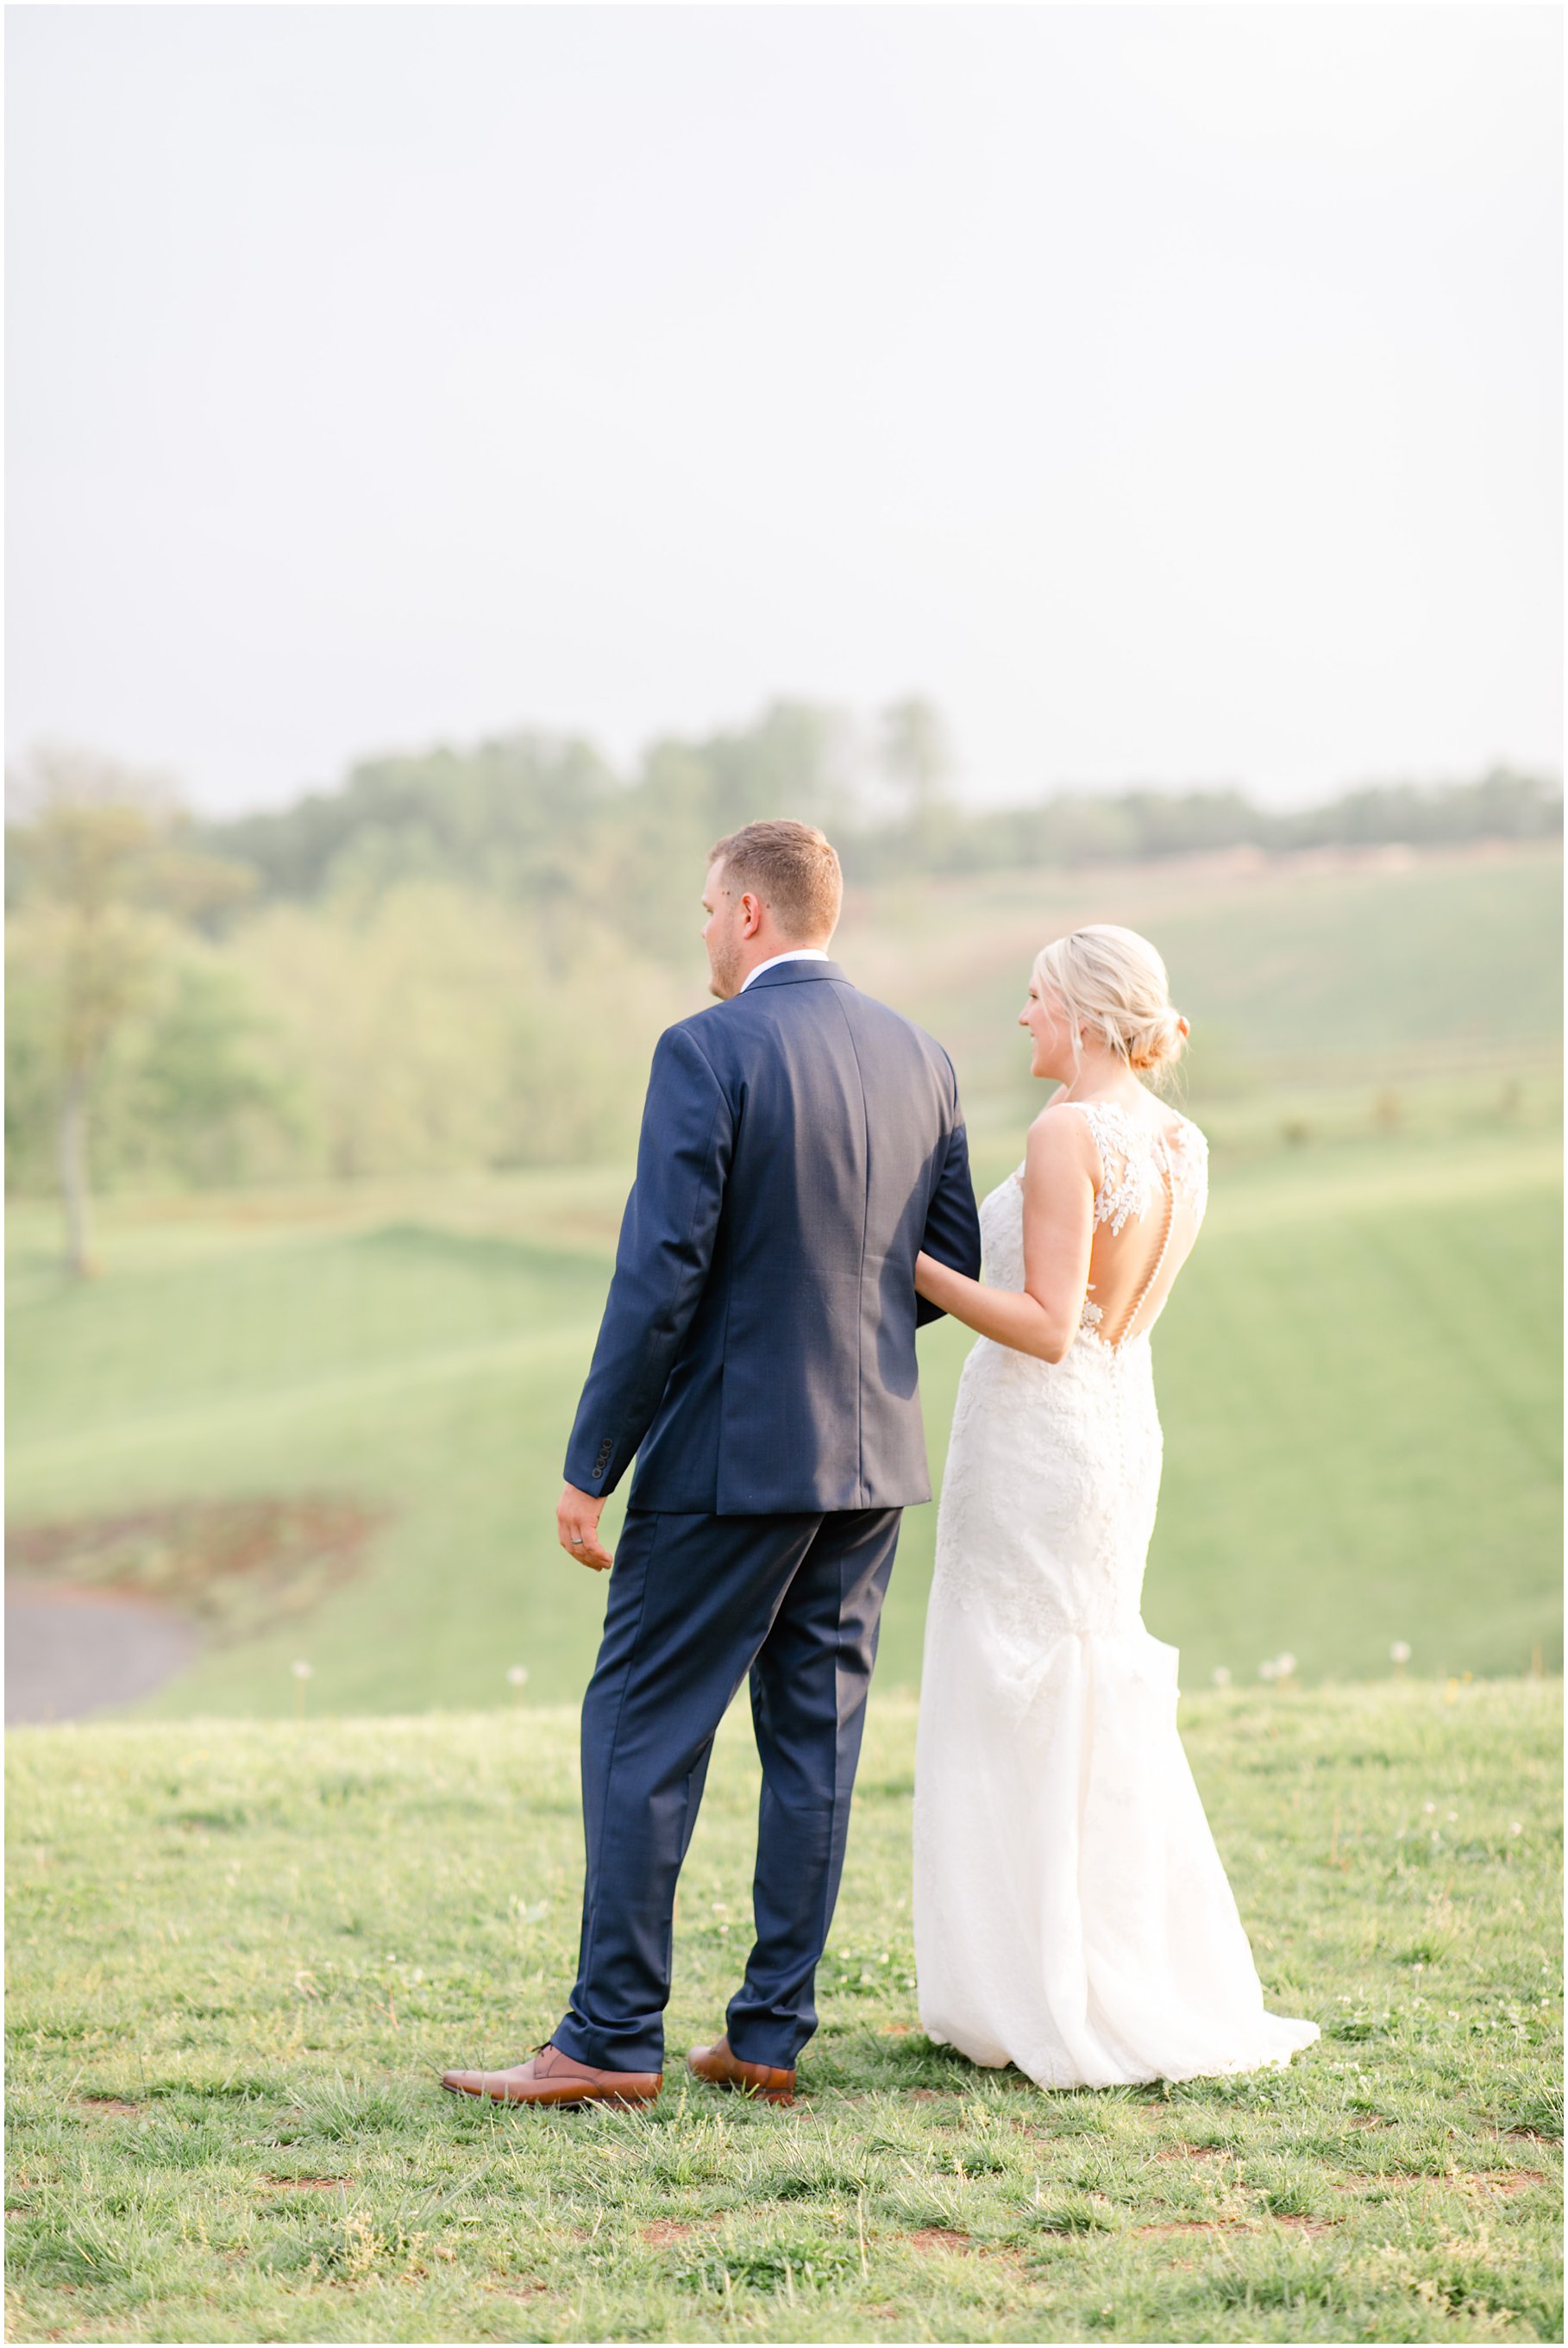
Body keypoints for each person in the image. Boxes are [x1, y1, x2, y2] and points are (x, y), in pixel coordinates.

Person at [442, 819, 982, 2109]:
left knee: (638, 1722)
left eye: (703, 910)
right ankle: (768, 2036)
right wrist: (840, 1337)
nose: (699, 932)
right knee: (817, 1744)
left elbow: (659, 1275)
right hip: (869, 1461)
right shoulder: (925, 1055)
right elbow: (946, 1259)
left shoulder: (707, 1048)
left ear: (749, 914)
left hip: (731, 1456)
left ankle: (611, 2038)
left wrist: (592, 1462)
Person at [911, 924, 1320, 2087]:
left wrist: (911, 1267)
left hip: (1036, 1440)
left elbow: (1043, 1324)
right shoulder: (1182, 1139)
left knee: (1016, 1684)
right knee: (1086, 1680)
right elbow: (1106, 1319)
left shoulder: (1063, 1132)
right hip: (1118, 1424)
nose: (1025, 1018)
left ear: (1085, 1017)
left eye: (1036, 999)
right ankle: (1103, 1959)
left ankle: (1035, 1985)